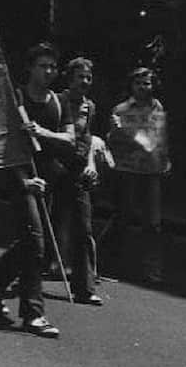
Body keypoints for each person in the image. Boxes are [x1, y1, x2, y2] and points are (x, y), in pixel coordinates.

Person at [0, 43, 70, 338]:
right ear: (30, 68)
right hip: (20, 179)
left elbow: (69, 138)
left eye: (53, 67)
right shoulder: (14, 97)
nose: (49, 72)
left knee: (35, 245)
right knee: (35, 240)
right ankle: (34, 313)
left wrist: (42, 133)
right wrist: (23, 182)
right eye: (43, 66)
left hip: (47, 180)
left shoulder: (59, 102)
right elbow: (2, 144)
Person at [108, 67, 170, 283]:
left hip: (152, 170)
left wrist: (164, 157)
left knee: (153, 223)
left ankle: (152, 270)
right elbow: (113, 141)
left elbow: (159, 138)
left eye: (148, 83)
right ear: (131, 85)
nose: (144, 87)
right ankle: (112, 264)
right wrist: (129, 137)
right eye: (139, 83)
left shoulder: (158, 108)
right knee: (123, 217)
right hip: (128, 169)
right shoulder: (120, 110)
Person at [52, 57, 101, 304]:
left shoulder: (89, 107)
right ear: (69, 79)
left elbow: (88, 137)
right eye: (80, 77)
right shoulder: (57, 101)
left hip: (78, 171)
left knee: (84, 227)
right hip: (54, 168)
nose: (84, 82)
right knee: (49, 225)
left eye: (88, 78)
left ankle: (85, 287)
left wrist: (91, 164)